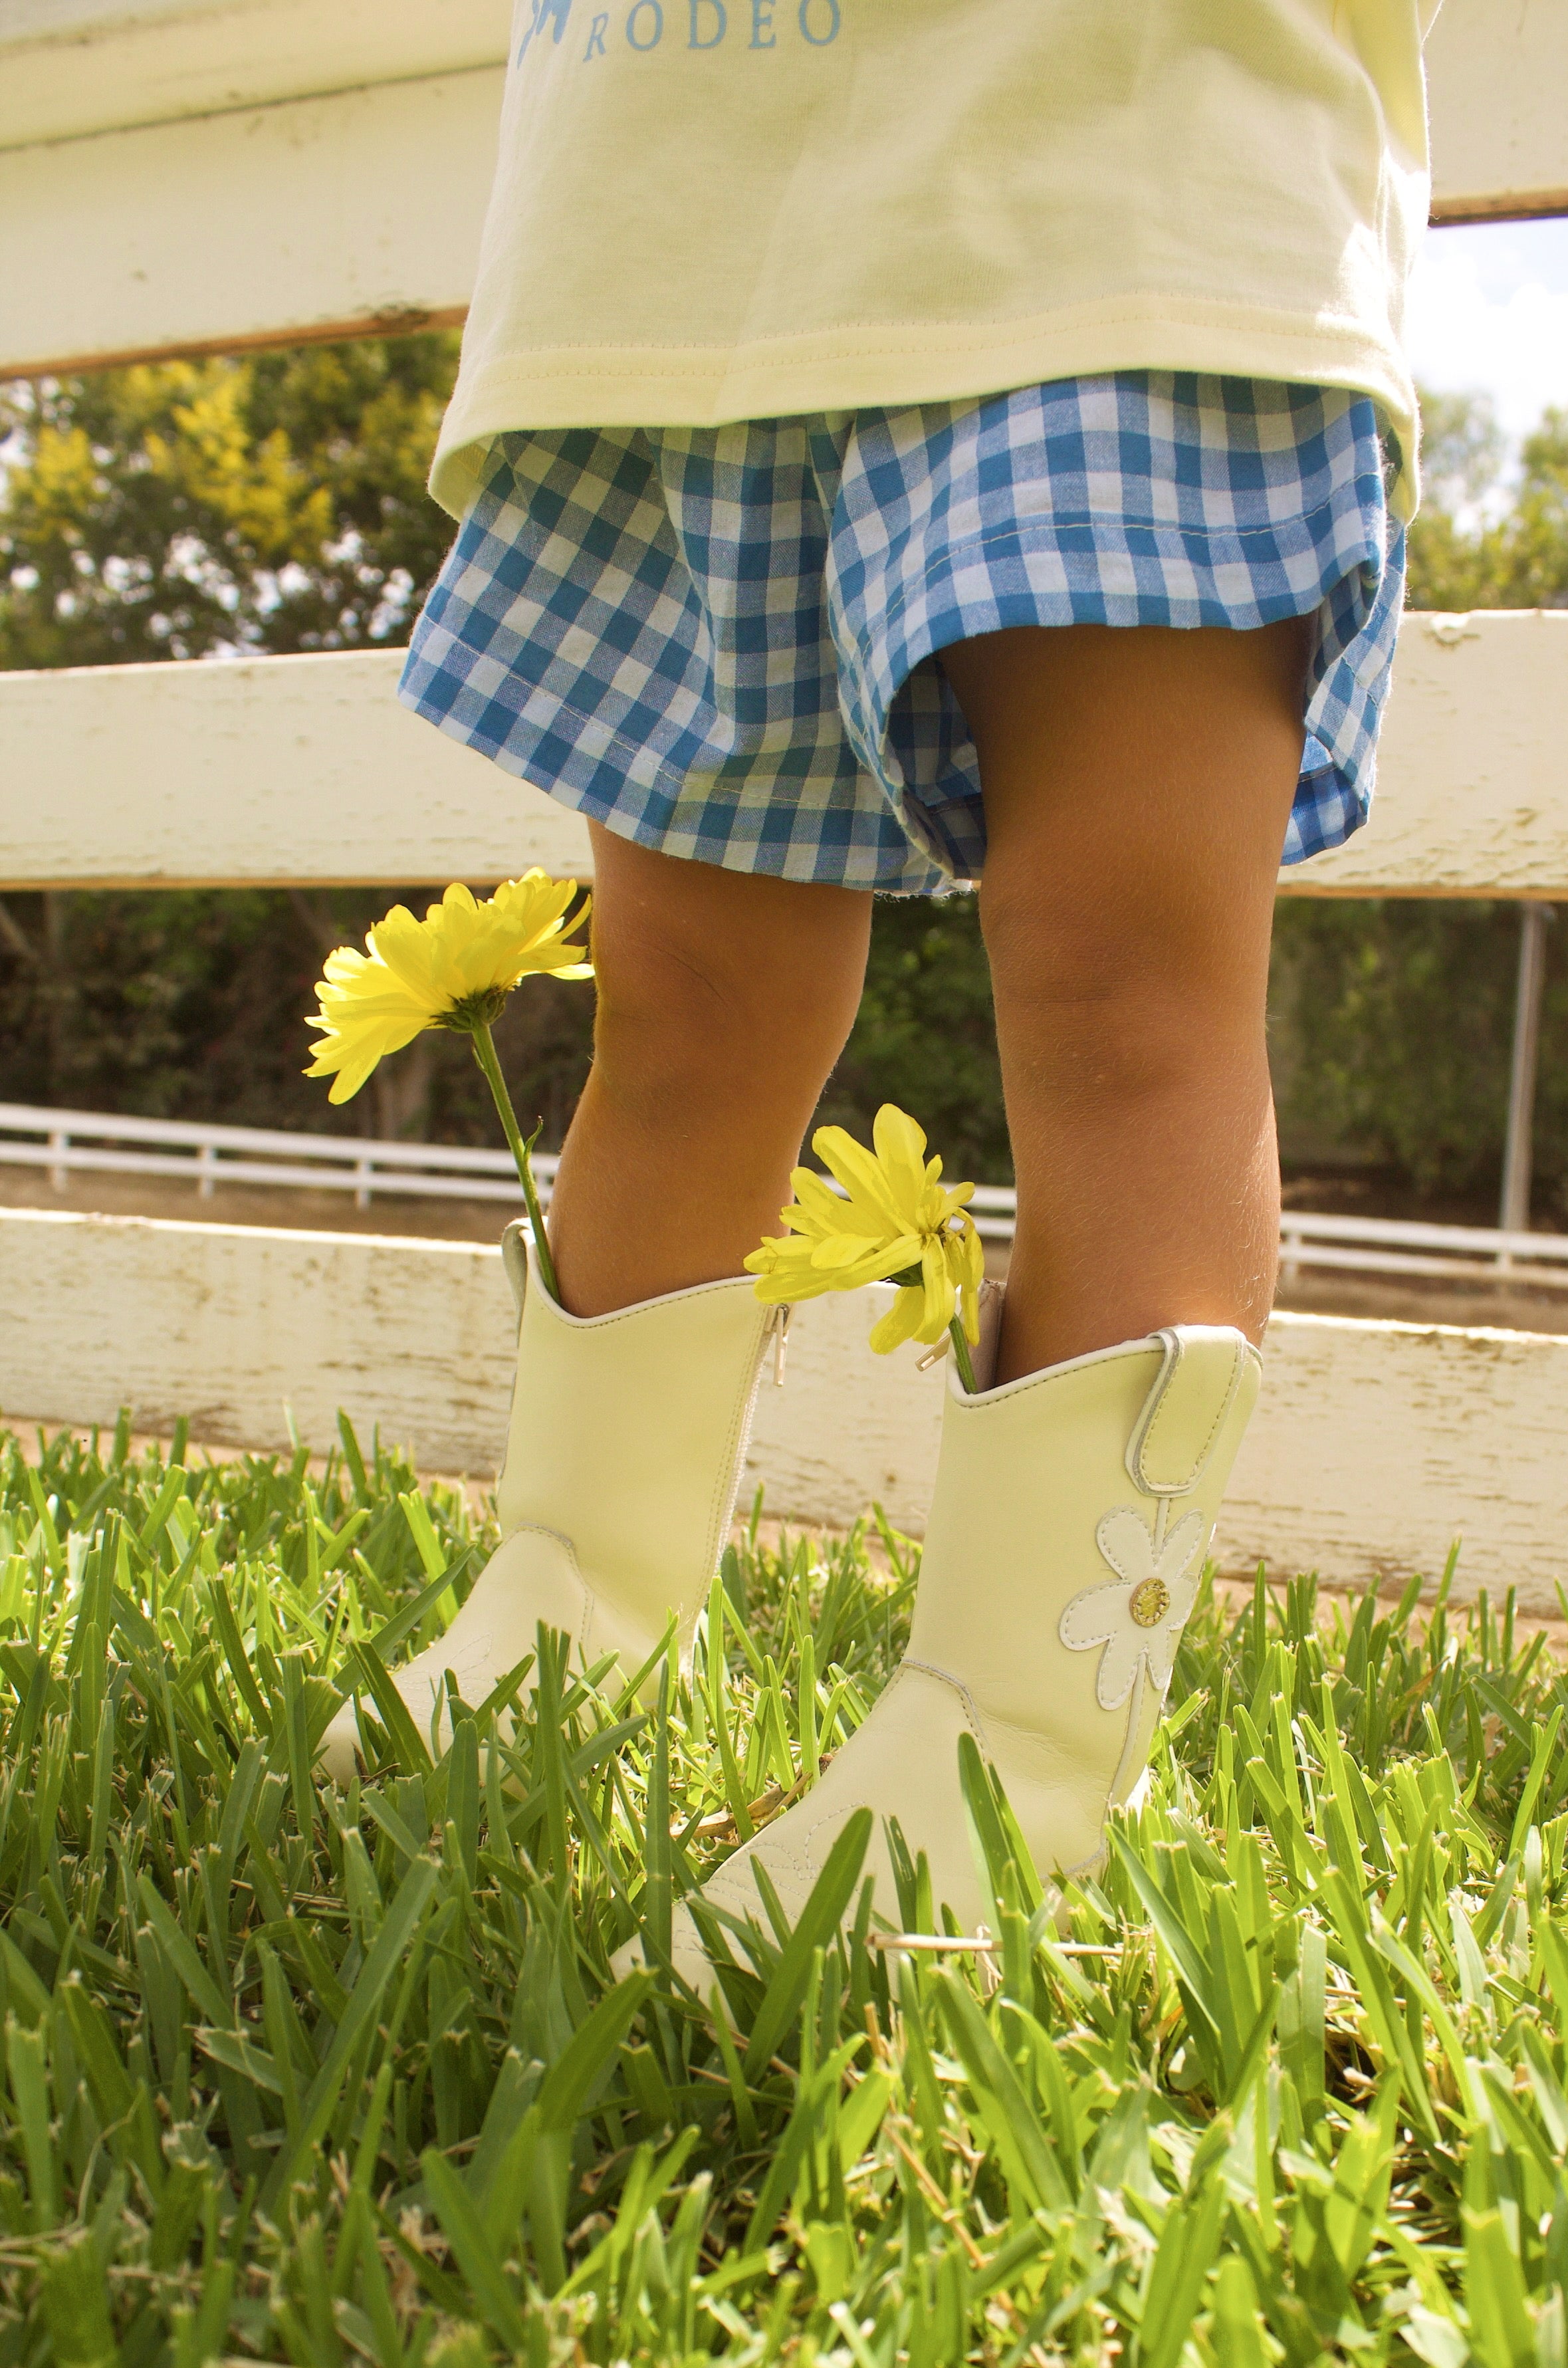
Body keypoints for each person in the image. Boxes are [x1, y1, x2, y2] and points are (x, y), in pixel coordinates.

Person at [336, 0, 1436, 1988]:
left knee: (1121, 986)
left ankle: (1019, 1752)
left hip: (1117, 173)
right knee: (683, 1003)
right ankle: (581, 1589)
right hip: (672, 241)